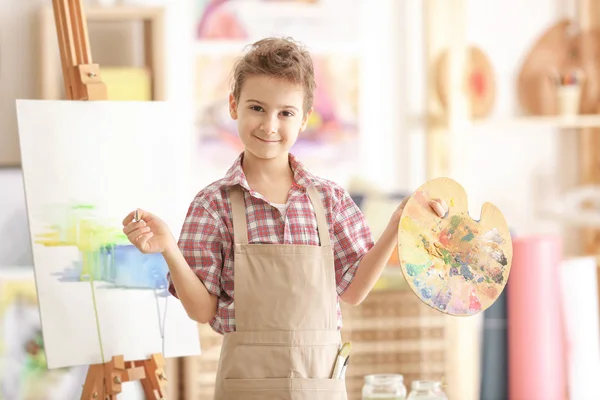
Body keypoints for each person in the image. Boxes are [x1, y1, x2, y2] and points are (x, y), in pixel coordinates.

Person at [122, 37, 448, 399]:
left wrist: (395, 225)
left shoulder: (330, 199)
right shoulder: (212, 204)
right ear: (234, 106)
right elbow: (202, 310)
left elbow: (354, 291)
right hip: (246, 386)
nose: (270, 125)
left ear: (305, 118)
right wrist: (169, 248)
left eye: (286, 113)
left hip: (318, 385)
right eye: (257, 108)